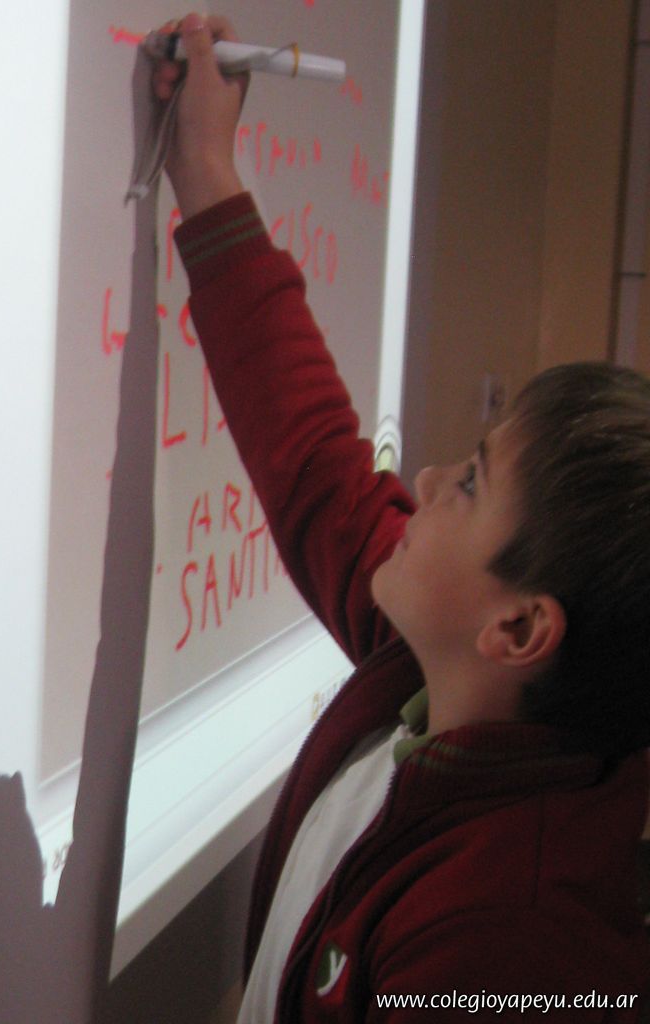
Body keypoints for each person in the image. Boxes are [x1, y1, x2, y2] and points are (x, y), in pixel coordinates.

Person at [152, 13, 650, 1021]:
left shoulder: (514, 943)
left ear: (519, 627)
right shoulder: (434, 680)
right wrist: (205, 169)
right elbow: (313, 461)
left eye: (469, 483)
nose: (422, 477)